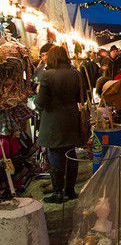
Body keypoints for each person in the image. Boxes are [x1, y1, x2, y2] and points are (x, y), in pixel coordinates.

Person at [35, 46, 82, 203]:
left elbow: (40, 103)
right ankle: (70, 190)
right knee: (70, 152)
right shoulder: (76, 73)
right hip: (71, 117)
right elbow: (79, 98)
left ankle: (58, 193)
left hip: (53, 120)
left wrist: (37, 95)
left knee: (55, 154)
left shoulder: (47, 75)